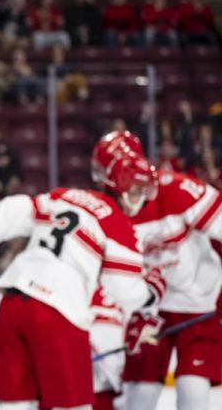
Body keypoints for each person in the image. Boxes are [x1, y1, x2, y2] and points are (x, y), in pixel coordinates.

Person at [0, 157, 165, 409]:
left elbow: (13, 209)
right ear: (121, 189)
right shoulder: (118, 224)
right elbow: (123, 290)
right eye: (137, 192)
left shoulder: (65, 196)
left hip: (13, 302)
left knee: (14, 404)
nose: (142, 200)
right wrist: (150, 293)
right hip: (57, 311)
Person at [93, 131, 222, 410]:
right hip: (148, 311)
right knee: (139, 397)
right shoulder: (105, 211)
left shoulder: (179, 191)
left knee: (193, 392)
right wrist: (131, 310)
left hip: (200, 303)